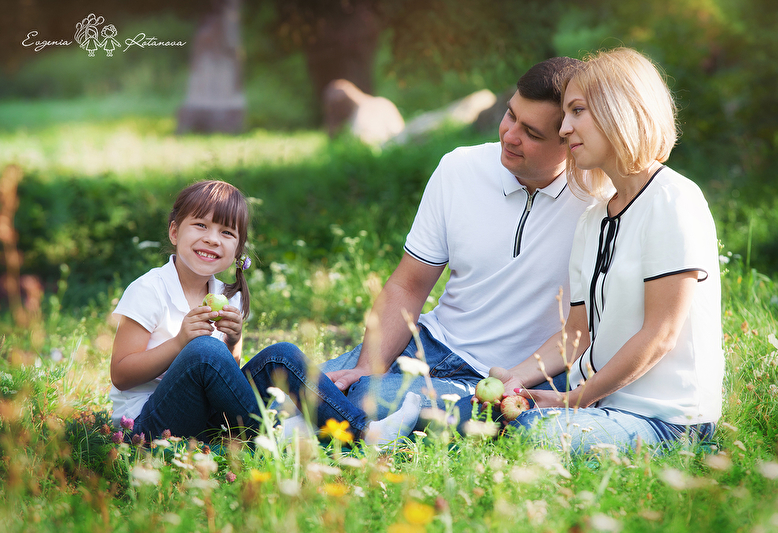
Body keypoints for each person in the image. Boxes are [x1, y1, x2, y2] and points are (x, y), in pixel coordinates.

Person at [291, 56, 593, 421]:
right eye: (511, 115)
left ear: (569, 140)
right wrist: (369, 366)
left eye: (532, 133)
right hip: (428, 346)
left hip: (510, 377)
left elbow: (586, 331)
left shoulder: (599, 202)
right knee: (288, 394)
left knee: (367, 402)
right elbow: (408, 285)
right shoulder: (460, 168)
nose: (510, 135)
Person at [472, 48, 723, 453]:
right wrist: (513, 381)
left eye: (577, 111)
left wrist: (574, 399)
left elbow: (661, 334)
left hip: (668, 420)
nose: (564, 129)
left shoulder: (673, 199)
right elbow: (576, 335)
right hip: (603, 408)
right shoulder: (593, 219)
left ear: (620, 109)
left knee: (531, 435)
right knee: (480, 415)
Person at [108, 180, 420, 444]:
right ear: (175, 232)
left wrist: (233, 340)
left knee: (281, 354)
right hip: (148, 424)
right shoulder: (149, 290)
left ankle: (366, 433)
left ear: (238, 249)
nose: (212, 239)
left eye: (226, 232)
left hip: (205, 419)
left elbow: (224, 380)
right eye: (200, 225)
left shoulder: (226, 296)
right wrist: (179, 343)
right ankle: (280, 433)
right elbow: (121, 375)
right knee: (203, 349)